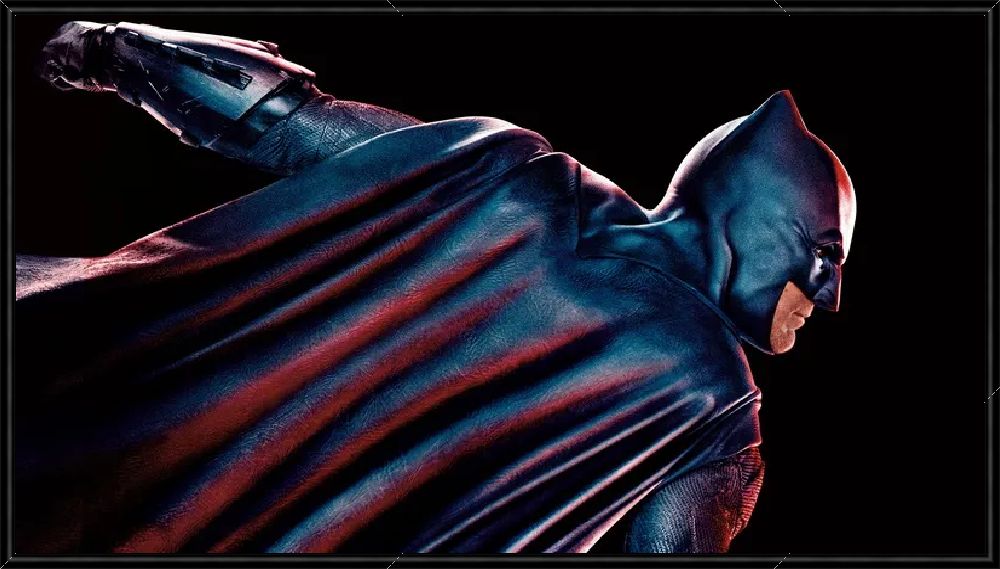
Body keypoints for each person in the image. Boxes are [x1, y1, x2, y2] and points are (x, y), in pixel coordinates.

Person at [15, 21, 855, 554]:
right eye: (823, 251)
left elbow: (275, 115)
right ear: (758, 214)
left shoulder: (510, 170)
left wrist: (106, 48)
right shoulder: (715, 416)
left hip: (91, 452)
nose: (826, 295)